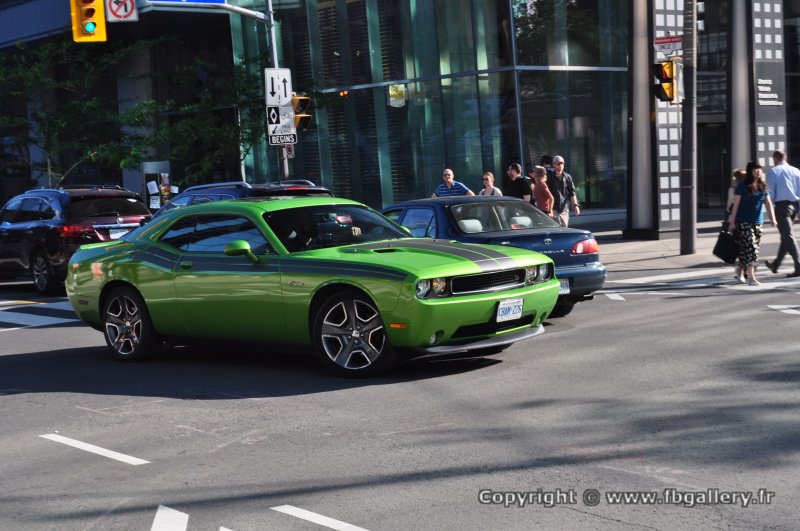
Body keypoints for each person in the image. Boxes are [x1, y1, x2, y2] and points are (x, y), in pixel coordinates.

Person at [728, 161, 777, 286]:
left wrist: (773, 219)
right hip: (743, 221)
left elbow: (768, 203)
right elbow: (736, 205)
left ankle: (740, 269)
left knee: (746, 250)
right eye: (755, 170)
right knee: (752, 248)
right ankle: (751, 277)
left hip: (758, 222)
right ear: (750, 172)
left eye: (760, 169)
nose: (758, 172)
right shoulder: (742, 186)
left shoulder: (763, 186)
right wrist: (732, 222)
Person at [763, 149, 800, 277]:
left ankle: (798, 265)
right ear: (786, 157)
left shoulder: (773, 171)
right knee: (786, 236)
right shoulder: (796, 171)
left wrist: (770, 211)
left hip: (781, 207)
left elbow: (771, 193)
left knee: (788, 236)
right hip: (794, 206)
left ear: (775, 158)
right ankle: (776, 264)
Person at [547, 155, 580, 227]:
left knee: (564, 229)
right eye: (558, 164)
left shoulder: (567, 177)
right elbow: (547, 194)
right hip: (554, 209)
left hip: (564, 208)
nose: (560, 165)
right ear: (554, 165)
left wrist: (575, 205)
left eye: (562, 163)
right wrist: (549, 210)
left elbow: (572, 192)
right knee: (556, 230)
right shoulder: (550, 177)